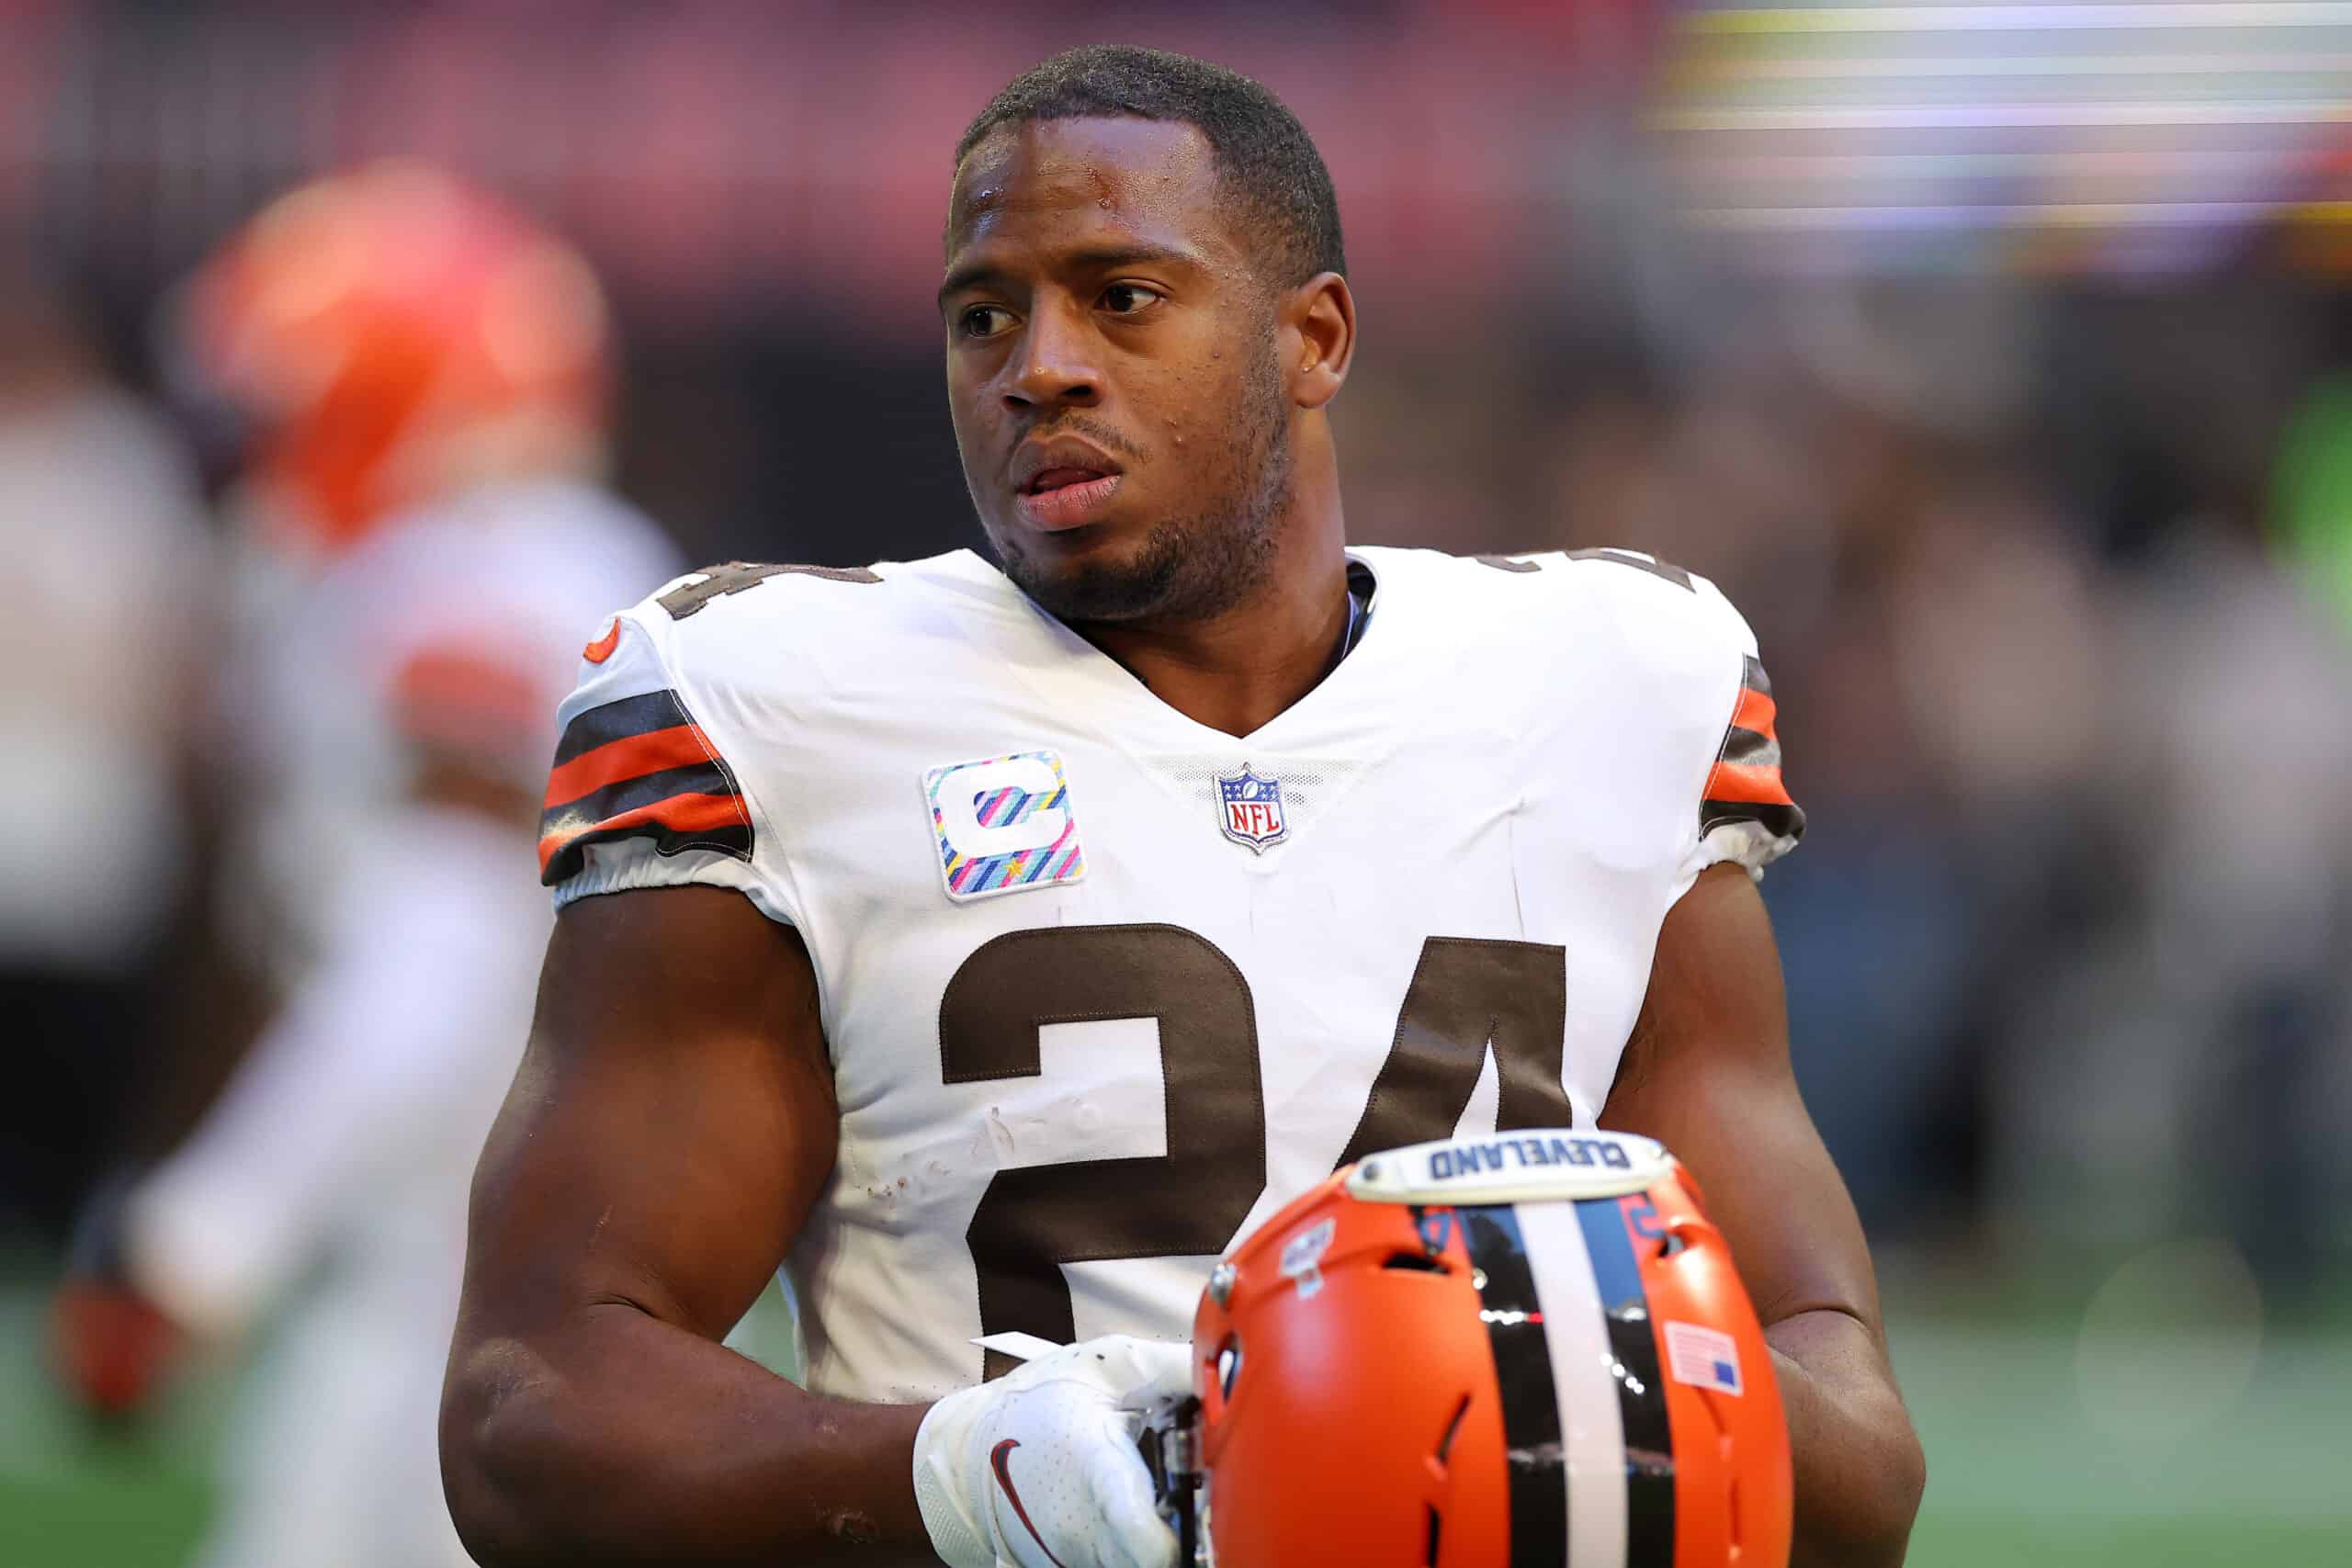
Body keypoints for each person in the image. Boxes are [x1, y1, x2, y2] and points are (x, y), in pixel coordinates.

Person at [442, 45, 1924, 1568]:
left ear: (1316, 338)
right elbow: (530, 1411)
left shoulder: (1615, 683)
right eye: (982, 314)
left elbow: (1860, 1461)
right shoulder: (778, 702)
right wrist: (960, 1476)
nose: (1039, 366)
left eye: (1121, 296)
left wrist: (1553, 1385)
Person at [51, 164, 680, 1568]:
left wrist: (198, 1244)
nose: (266, 449)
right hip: (500, 1227)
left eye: (298, 403)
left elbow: (436, 961)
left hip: (500, 1236)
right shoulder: (526, 563)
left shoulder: (473, 592)